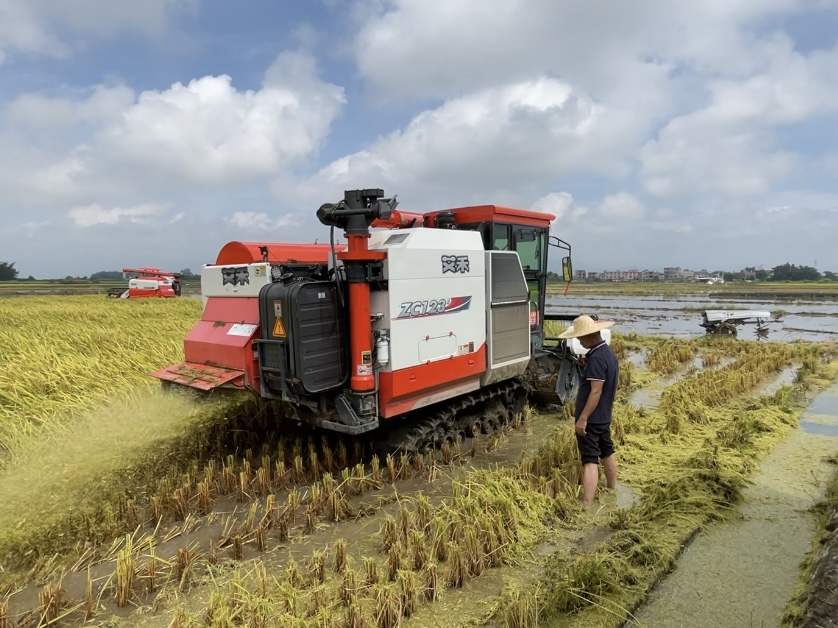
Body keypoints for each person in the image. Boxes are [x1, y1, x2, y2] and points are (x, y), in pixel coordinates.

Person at [558, 315, 619, 507]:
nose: (578, 340)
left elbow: (595, 392)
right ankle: (612, 490)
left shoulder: (597, 359)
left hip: (591, 419)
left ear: (591, 335)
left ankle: (586, 504)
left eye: (581, 337)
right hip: (604, 416)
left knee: (590, 460)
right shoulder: (607, 353)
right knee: (607, 452)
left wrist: (583, 418)